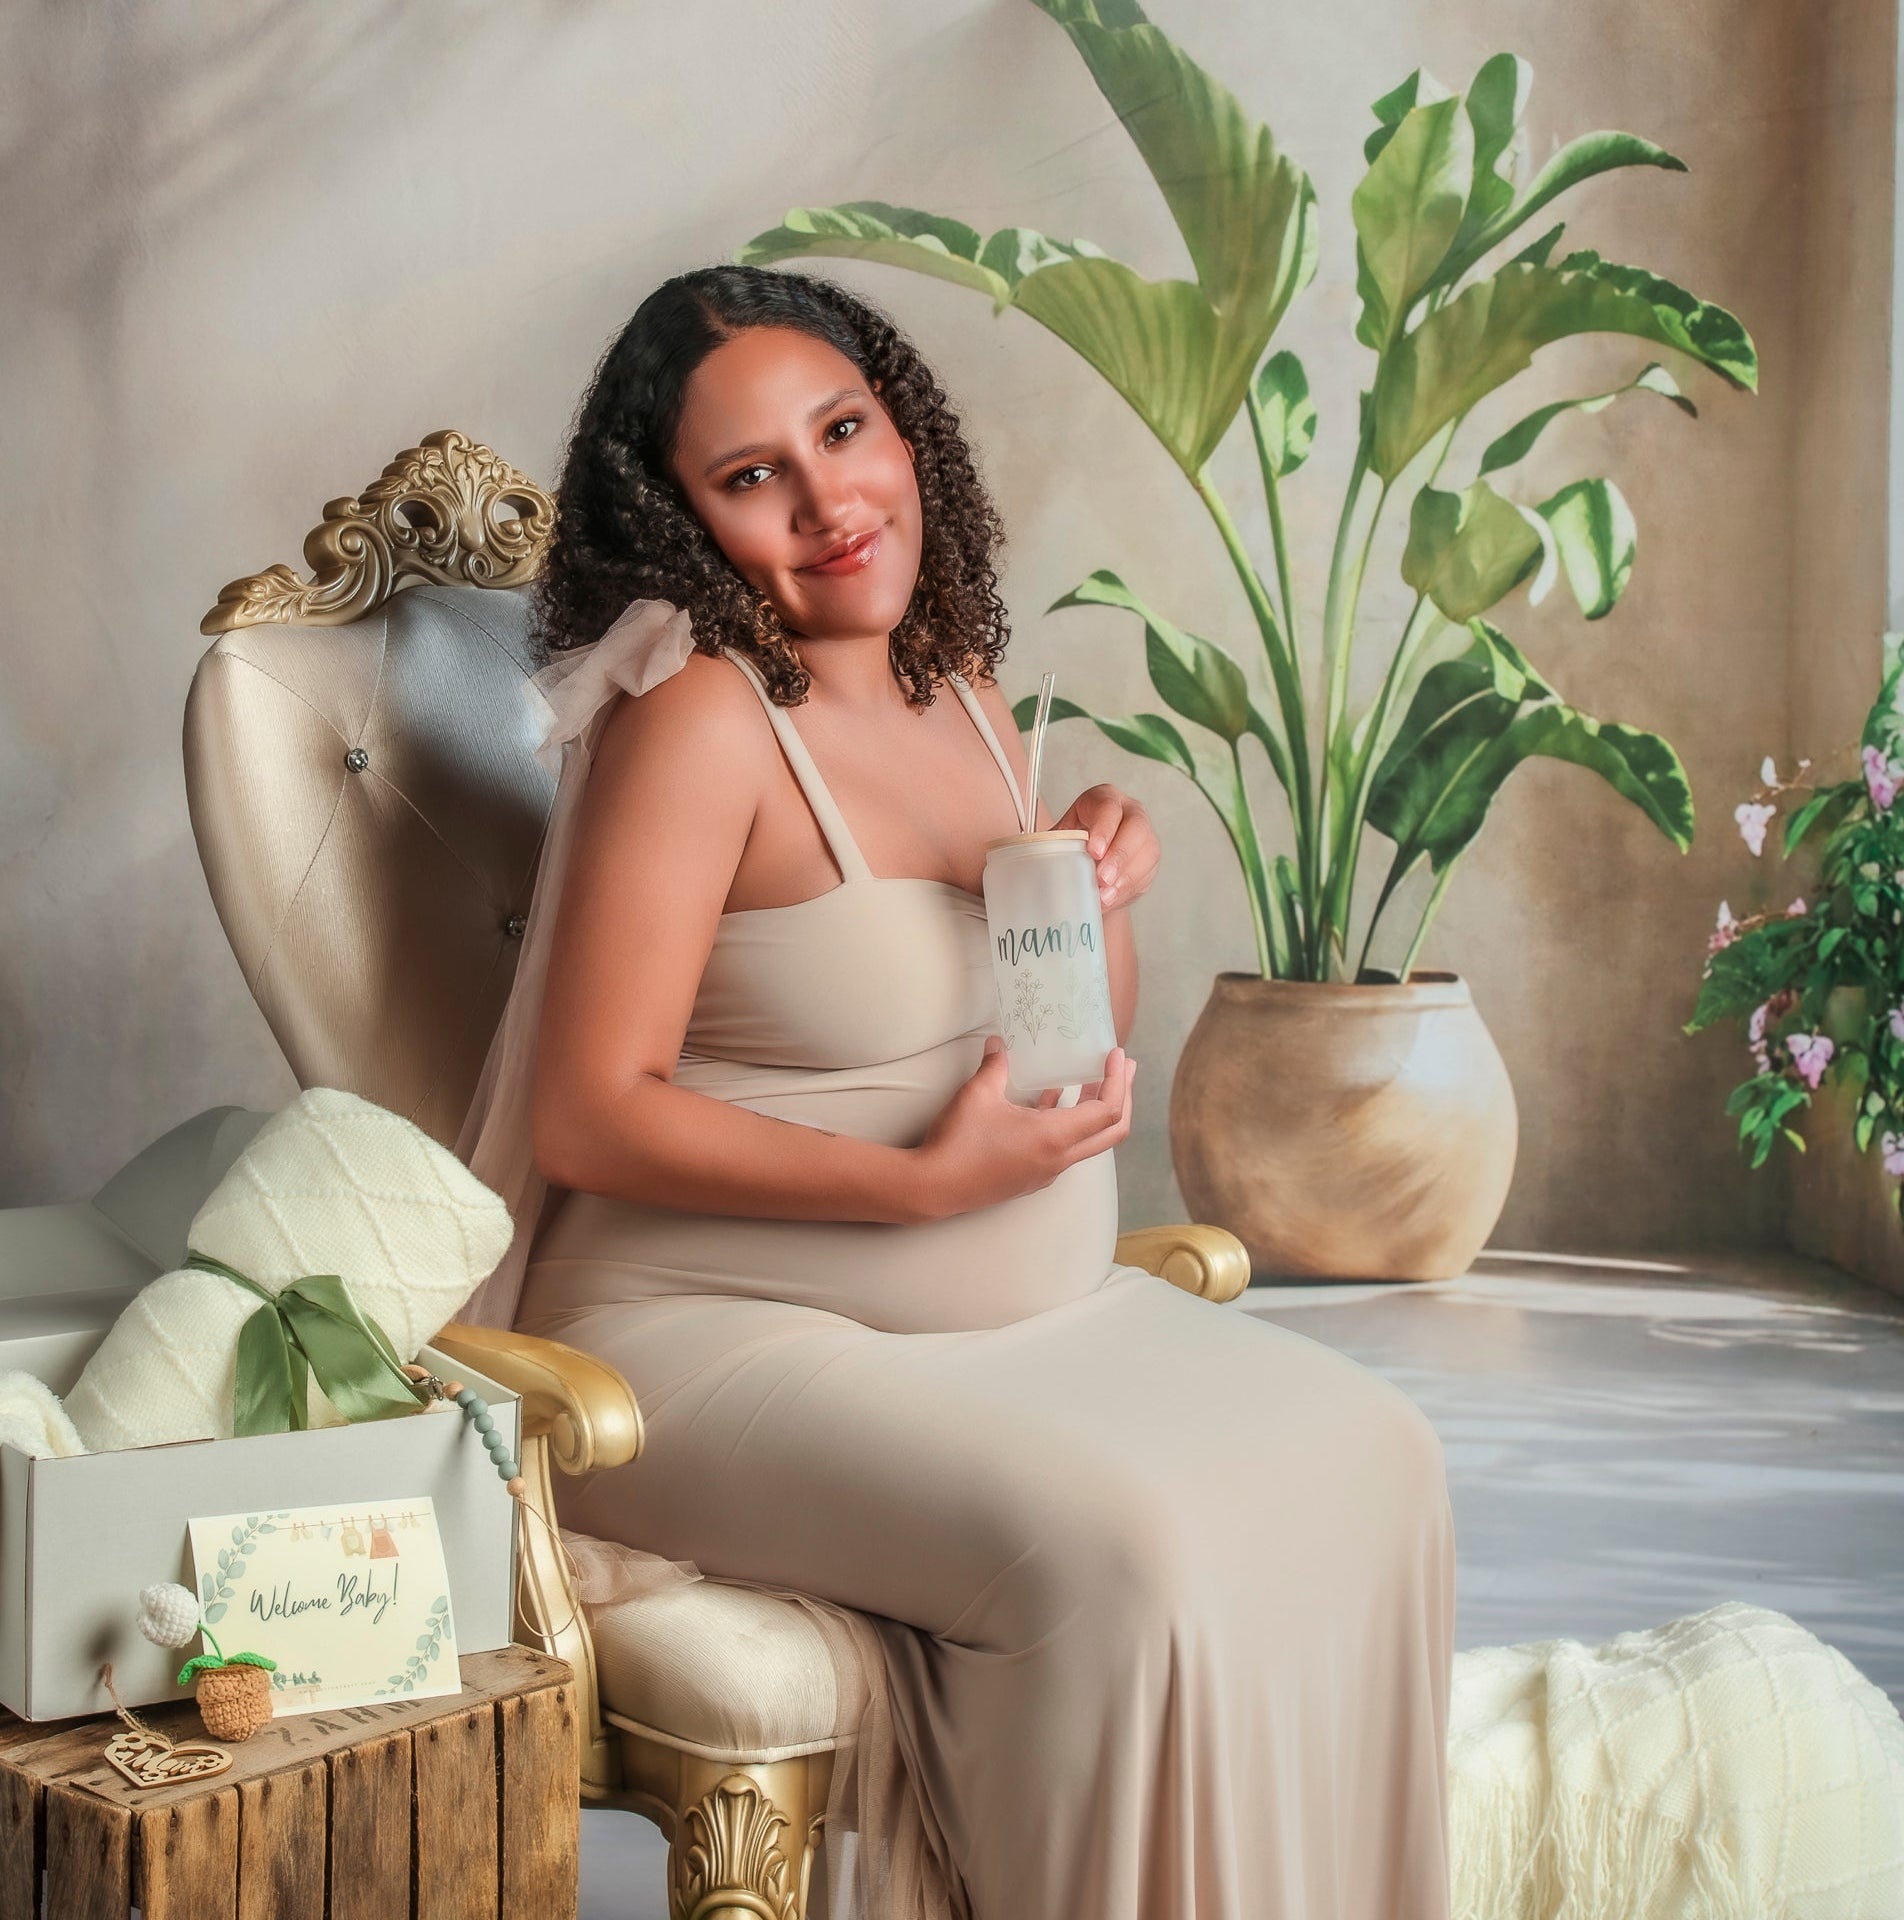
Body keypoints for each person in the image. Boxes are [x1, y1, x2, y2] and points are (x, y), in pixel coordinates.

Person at [455, 263, 1456, 1920]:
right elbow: (587, 1113)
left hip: (1015, 1323)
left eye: (843, 430)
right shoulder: (696, 724)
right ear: (688, 525)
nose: (828, 499)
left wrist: (1096, 890)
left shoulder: (967, 690)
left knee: (1384, 1455)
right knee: (1112, 1555)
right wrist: (920, 1190)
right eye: (752, 475)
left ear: (905, 428)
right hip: (703, 1339)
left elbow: (1068, 1041)